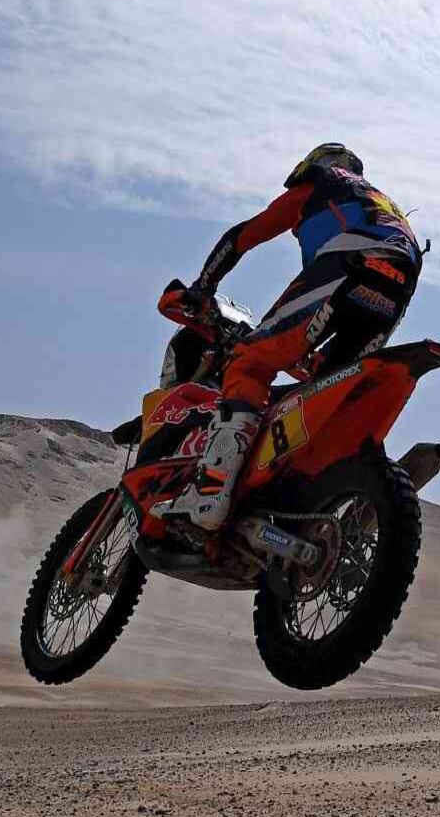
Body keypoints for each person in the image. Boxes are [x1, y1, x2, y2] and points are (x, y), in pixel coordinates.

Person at [153, 143, 422, 532]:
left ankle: (211, 489)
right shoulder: (386, 208)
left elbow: (241, 237)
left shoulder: (323, 184)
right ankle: (309, 510)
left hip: (348, 265)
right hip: (395, 289)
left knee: (250, 361)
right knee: (322, 390)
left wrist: (202, 286)